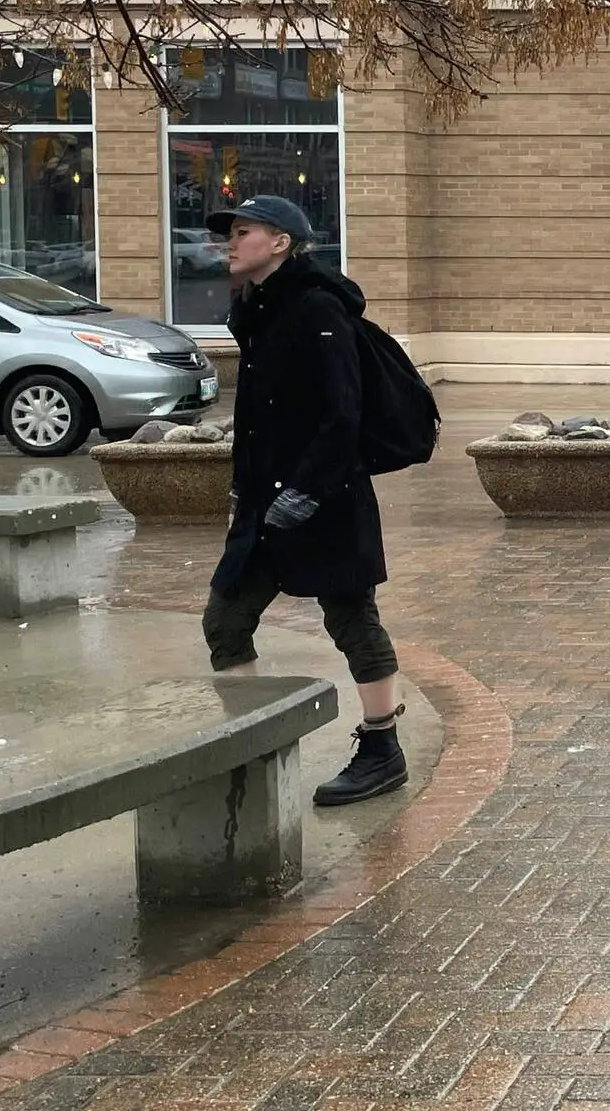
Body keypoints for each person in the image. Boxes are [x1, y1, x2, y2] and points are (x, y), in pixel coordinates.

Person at [199, 195, 408, 804]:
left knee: (351, 620)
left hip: (326, 499)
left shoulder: (317, 307)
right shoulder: (257, 308)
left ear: (281, 242)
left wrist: (306, 492)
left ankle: (381, 748)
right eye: (229, 233)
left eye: (243, 232)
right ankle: (251, 741)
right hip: (264, 504)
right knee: (226, 620)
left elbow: (343, 415)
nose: (230, 243)